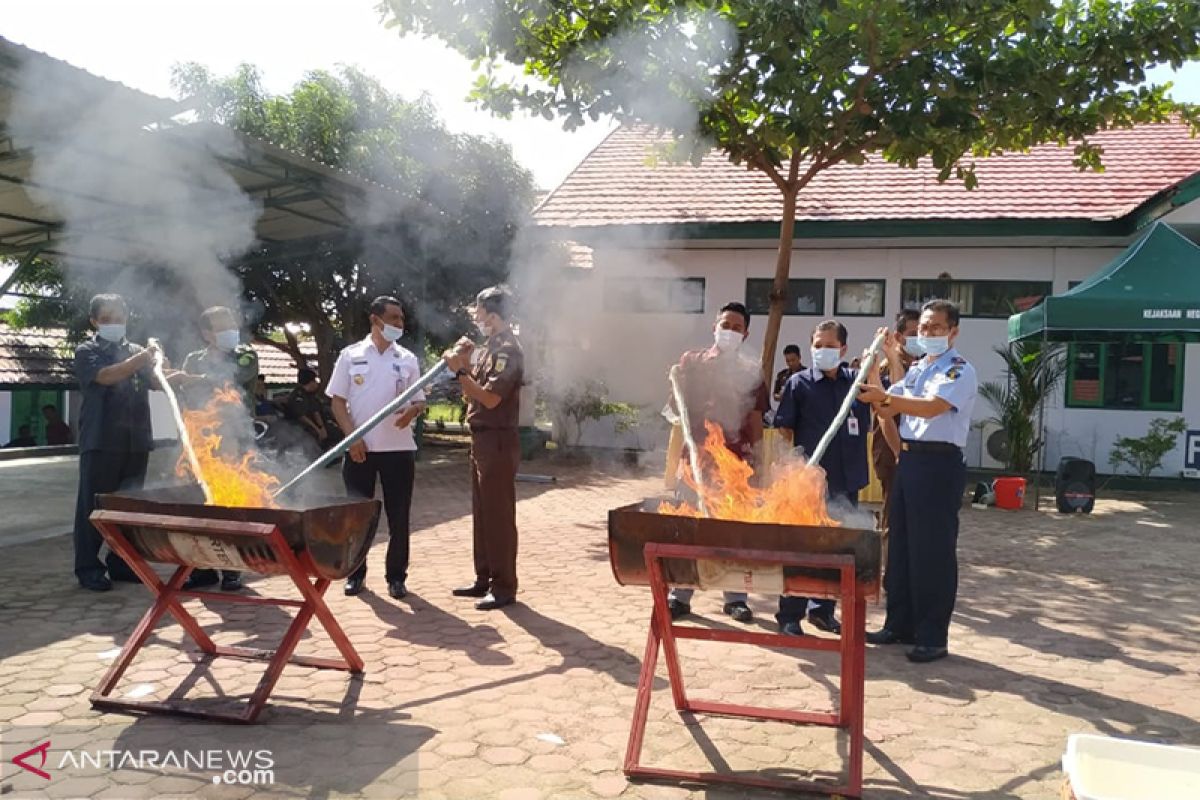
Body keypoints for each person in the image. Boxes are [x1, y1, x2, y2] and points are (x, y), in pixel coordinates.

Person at [858, 299, 978, 664]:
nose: (927, 334)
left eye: (936, 328)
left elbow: (930, 407)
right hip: (909, 460)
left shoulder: (958, 370)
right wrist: (875, 373)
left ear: (953, 332)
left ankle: (931, 635)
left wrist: (888, 397)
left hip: (938, 465)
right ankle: (900, 623)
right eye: (924, 328)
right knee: (902, 547)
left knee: (932, 552)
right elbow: (887, 408)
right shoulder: (918, 369)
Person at [665, 301, 770, 624]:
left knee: (733, 531)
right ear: (715, 327)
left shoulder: (751, 372)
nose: (730, 332)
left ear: (746, 333)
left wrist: (759, 465)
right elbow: (674, 407)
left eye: (737, 328)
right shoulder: (693, 362)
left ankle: (735, 598)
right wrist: (675, 381)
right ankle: (679, 596)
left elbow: (755, 420)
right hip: (696, 460)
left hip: (736, 464)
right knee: (689, 530)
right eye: (726, 325)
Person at [773, 319, 872, 637]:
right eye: (818, 345)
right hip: (809, 482)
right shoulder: (798, 383)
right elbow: (785, 428)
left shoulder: (857, 384)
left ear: (843, 349)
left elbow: (873, 416)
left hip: (846, 479)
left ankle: (823, 610)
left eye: (830, 346)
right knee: (801, 548)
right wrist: (796, 468)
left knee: (836, 549)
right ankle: (790, 613)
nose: (823, 351)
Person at [328, 296, 426, 600]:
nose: (399, 324)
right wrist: (352, 437)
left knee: (399, 516)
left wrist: (413, 411)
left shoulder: (407, 359)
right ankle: (355, 574)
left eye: (401, 319)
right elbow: (337, 402)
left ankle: (396, 577)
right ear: (375, 320)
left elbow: (419, 400)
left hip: (399, 450)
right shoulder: (350, 355)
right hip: (360, 450)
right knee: (357, 516)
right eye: (394, 318)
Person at [71, 294, 162, 591]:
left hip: (136, 441)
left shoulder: (136, 351)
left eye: (119, 318)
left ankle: (122, 563)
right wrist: (142, 358)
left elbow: (159, 380)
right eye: (107, 319)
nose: (114, 324)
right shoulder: (88, 350)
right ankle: (88, 567)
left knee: (128, 507)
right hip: (102, 440)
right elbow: (107, 377)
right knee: (94, 506)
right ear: (94, 321)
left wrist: (182, 374)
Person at [443, 285, 524, 611]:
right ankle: (484, 578)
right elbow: (474, 393)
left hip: (498, 440)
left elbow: (490, 398)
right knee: (483, 514)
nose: (476, 318)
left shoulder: (509, 351)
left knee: (498, 516)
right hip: (482, 439)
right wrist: (464, 363)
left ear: (492, 315)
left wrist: (459, 370)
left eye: (478, 312)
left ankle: (504, 586)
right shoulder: (490, 347)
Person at [178, 305, 259, 592]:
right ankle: (203, 568)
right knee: (200, 504)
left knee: (231, 504)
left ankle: (232, 569)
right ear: (206, 333)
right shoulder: (193, 359)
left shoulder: (245, 353)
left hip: (234, 439)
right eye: (221, 326)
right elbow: (187, 390)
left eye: (231, 323)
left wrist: (194, 380)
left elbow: (234, 378)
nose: (229, 330)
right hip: (202, 438)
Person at [872, 309, 922, 532]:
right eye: (914, 333)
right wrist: (897, 451)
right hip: (893, 450)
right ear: (899, 337)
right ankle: (889, 566)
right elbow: (887, 410)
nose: (920, 338)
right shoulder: (885, 368)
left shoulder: (924, 366)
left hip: (919, 450)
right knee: (894, 516)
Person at [288, 368, 330, 446]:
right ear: (311, 382)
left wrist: (322, 427)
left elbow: (316, 412)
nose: (317, 384)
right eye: (315, 381)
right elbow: (302, 417)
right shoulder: (298, 396)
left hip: (315, 428)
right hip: (300, 429)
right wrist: (318, 430)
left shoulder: (311, 395)